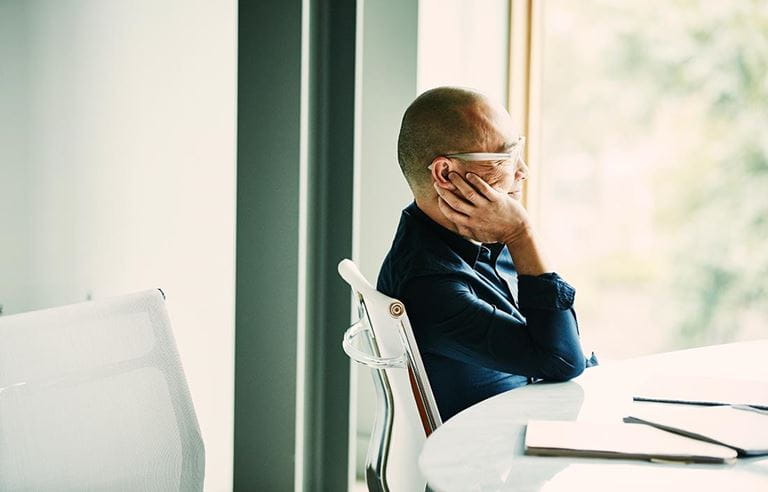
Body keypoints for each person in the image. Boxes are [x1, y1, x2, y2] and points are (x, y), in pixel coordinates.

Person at [377, 87, 597, 420]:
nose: (522, 170)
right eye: (506, 157)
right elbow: (563, 361)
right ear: (446, 174)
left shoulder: (472, 235)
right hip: (498, 452)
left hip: (534, 413)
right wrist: (521, 234)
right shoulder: (430, 284)